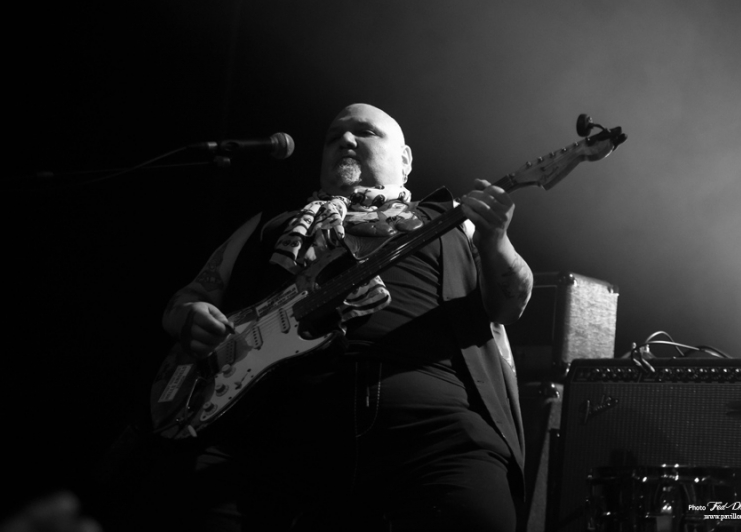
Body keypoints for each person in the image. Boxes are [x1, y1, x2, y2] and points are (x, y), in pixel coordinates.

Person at [160, 103, 533, 531]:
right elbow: (188, 297)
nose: (346, 140)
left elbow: (511, 304)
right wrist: (188, 316)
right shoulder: (271, 226)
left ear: (405, 160)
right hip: (275, 435)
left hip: (432, 435)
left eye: (365, 132)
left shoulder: (453, 221)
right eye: (334, 137)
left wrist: (497, 239)